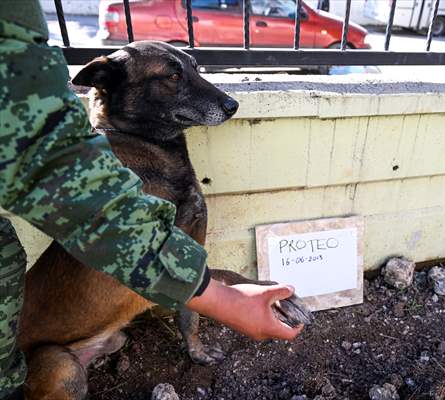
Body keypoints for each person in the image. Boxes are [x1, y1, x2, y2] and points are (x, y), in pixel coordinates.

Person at [0, 1, 303, 398]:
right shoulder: (109, 178)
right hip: (48, 351)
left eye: (192, 71)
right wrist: (228, 295)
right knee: (63, 379)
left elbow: (184, 260)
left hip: (85, 327)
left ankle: (186, 341)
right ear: (108, 87)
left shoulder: (147, 168)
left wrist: (206, 325)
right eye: (173, 79)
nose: (214, 95)